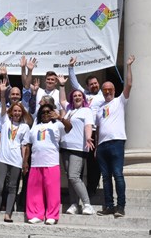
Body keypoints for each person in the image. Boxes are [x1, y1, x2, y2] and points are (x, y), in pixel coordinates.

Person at [95, 54, 135, 218]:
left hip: (116, 142)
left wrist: (129, 66)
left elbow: (130, 84)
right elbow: (98, 129)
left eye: (110, 89)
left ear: (114, 90)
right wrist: (97, 146)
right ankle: (109, 206)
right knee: (105, 178)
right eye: (104, 90)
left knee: (118, 175)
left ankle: (121, 206)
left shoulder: (120, 101)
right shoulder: (99, 109)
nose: (107, 92)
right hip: (102, 145)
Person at [0, 77, 32, 223]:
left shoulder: (25, 127)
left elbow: (25, 146)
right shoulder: (5, 121)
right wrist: (2, 94)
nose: (17, 113)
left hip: (16, 160)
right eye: (15, 111)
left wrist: (24, 162)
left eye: (19, 111)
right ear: (11, 112)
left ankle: (8, 214)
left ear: (22, 113)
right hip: (2, 158)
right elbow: (2, 106)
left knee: (13, 187)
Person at [22, 103, 72, 225]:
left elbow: (69, 127)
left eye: (48, 112)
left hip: (51, 163)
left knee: (52, 191)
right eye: (43, 112)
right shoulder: (34, 127)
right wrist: (25, 162)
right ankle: (36, 214)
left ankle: (52, 215)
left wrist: (59, 117)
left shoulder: (57, 125)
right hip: (35, 164)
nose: (45, 114)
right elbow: (28, 145)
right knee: (35, 192)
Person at [58, 75, 96, 215]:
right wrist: (62, 86)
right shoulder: (69, 110)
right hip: (65, 148)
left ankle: (87, 204)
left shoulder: (87, 111)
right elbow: (62, 100)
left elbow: (88, 126)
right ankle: (74, 204)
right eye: (75, 96)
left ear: (83, 98)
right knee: (70, 177)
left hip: (78, 148)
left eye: (80, 95)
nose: (77, 97)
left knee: (74, 176)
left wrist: (88, 138)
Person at [67, 56, 104, 196]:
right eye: (91, 84)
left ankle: (92, 188)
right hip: (81, 132)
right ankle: (79, 188)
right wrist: (71, 68)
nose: (94, 85)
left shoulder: (103, 96)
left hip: (95, 132)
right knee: (80, 160)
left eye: (96, 83)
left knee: (94, 162)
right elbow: (74, 84)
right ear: (87, 86)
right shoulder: (84, 95)